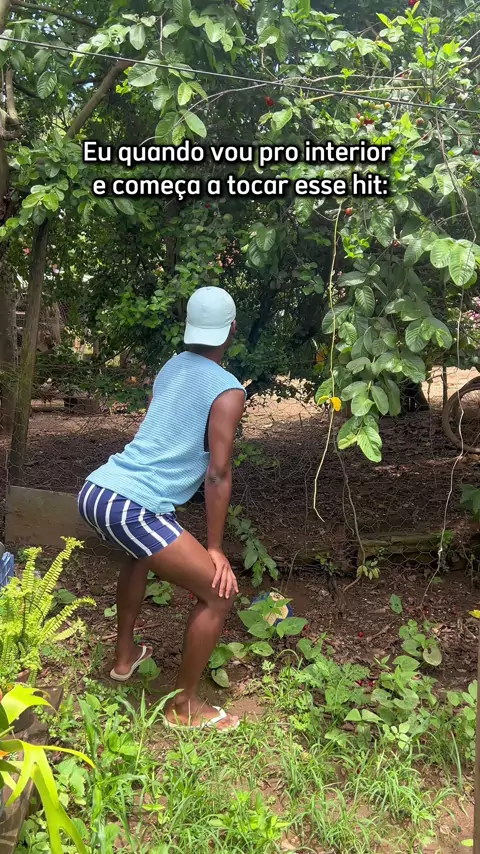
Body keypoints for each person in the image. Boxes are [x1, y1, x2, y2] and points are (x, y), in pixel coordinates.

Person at [78, 287, 246, 731]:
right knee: (219, 594)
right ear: (232, 329)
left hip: (98, 489)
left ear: (189, 326)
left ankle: (124, 658)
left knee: (139, 555)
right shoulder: (228, 390)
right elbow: (217, 473)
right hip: (132, 505)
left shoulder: (171, 367)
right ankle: (182, 707)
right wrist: (215, 548)